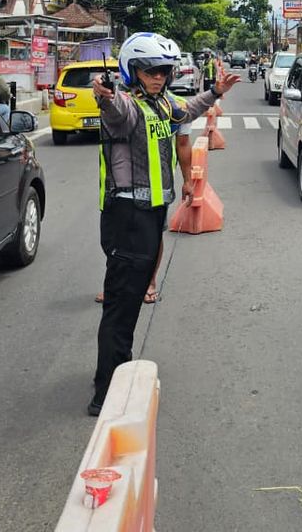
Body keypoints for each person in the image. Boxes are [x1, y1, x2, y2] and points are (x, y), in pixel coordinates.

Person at [87, 32, 238, 416]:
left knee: (133, 299)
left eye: (165, 71)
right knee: (121, 303)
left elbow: (186, 111)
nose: (159, 77)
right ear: (132, 71)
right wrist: (105, 95)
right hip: (127, 216)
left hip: (153, 214)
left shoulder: (162, 103)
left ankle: (116, 372)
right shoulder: (129, 107)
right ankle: (106, 392)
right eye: (151, 71)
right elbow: (116, 110)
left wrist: (215, 93)